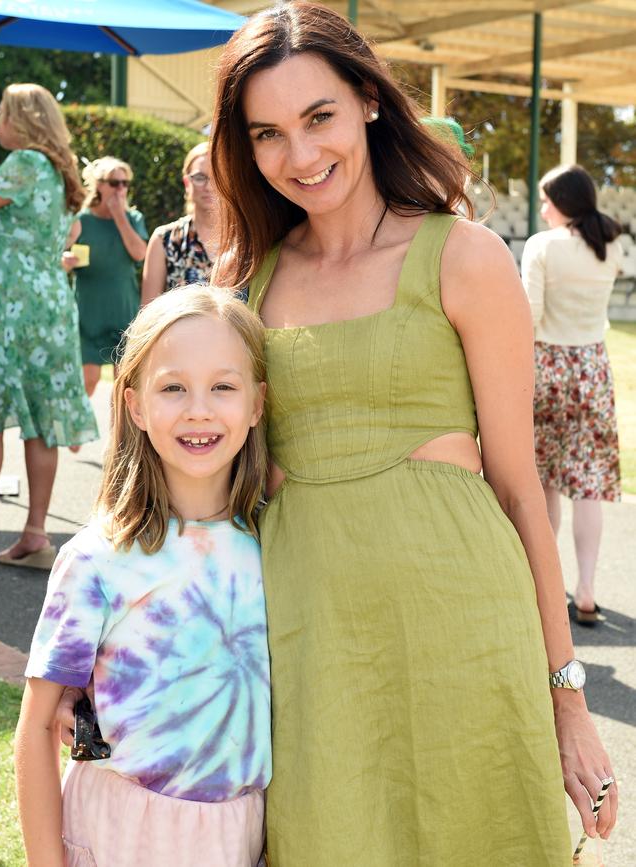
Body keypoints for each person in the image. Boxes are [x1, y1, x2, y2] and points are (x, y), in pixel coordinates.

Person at [207, 4, 616, 864]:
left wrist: (568, 699)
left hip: (466, 626)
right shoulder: (244, 283)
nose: (302, 155)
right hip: (308, 643)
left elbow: (515, 490)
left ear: (367, 100)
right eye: (268, 134)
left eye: (319, 117)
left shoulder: (464, 257)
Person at [15, 285, 270, 867]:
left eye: (224, 387)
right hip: (115, 831)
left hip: (239, 835)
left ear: (258, 404)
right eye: (173, 387)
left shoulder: (277, 547)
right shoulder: (97, 559)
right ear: (134, 406)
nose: (199, 409)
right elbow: (33, 731)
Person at [0, 83, 98, 572]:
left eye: (2, 114)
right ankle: (35, 534)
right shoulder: (60, 171)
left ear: (23, 121)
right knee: (42, 419)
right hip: (50, 302)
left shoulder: (25, 163)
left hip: (6, 302)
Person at [522, 164, 622, 627]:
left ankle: (546, 580)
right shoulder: (612, 246)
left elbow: (531, 316)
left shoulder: (543, 246)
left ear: (564, 200)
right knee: (588, 486)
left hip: (546, 367)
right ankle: (586, 589)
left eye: (546, 200)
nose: (542, 209)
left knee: (543, 482)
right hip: (592, 369)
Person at [65, 156, 148, 397]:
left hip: (123, 312)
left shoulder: (134, 219)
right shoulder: (81, 220)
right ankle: (73, 434)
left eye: (125, 183)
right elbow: (59, 252)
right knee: (86, 382)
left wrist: (119, 216)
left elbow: (139, 253)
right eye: (114, 182)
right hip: (88, 313)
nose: (121, 188)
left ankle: (118, 436)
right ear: (99, 184)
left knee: (123, 388)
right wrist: (66, 260)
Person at [141, 142, 217, 305]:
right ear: (187, 183)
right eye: (199, 177)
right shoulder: (165, 239)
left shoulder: (248, 240)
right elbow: (146, 316)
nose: (209, 186)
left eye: (217, 176)